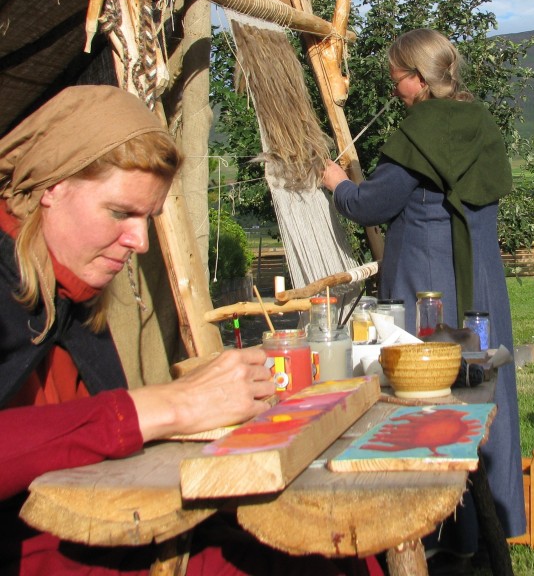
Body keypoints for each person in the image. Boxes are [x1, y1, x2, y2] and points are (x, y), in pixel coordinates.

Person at [0, 85, 380, 576]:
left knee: (341, 544)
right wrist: (173, 405)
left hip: (112, 532)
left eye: (148, 217)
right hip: (50, 554)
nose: (139, 241)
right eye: (120, 212)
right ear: (51, 187)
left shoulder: (69, 297)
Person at [322, 29, 526, 567]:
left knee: (426, 399)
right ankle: (487, 528)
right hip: (478, 284)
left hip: (430, 288)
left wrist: (337, 181)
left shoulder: (423, 130)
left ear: (418, 76)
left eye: (398, 82)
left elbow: (372, 205)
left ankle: (434, 535)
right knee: (481, 395)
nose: (396, 93)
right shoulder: (479, 121)